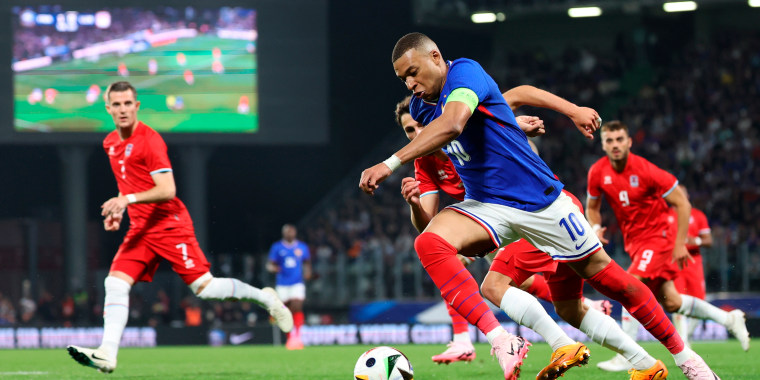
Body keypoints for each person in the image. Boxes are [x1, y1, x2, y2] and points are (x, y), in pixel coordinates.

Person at [360, 32, 719, 379]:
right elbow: (470, 130)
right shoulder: (422, 112)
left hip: (542, 204)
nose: (410, 84)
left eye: (413, 72)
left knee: (611, 286)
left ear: (435, 57)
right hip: (488, 206)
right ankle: (501, 339)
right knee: (430, 243)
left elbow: (456, 123)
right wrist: (509, 126)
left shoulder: (465, 72)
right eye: (402, 79)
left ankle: (686, 359)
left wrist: (387, 164)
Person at [396, 95, 665, 380]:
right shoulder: (425, 162)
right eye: (409, 131)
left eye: (421, 125)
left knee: (496, 286)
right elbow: (427, 225)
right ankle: (645, 362)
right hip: (503, 226)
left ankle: (561, 344)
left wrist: (515, 126)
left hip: (538, 214)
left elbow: (517, 112)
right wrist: (414, 204)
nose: (418, 134)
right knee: (560, 304)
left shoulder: (465, 131)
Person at [67, 81, 293, 374]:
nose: (122, 109)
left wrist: (126, 199)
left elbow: (168, 189)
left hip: (169, 224)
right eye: (116, 104)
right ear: (108, 109)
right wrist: (120, 210)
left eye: (127, 104)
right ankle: (107, 354)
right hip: (140, 227)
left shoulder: (150, 141)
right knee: (115, 283)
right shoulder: (110, 142)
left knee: (206, 289)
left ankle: (265, 297)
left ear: (137, 107)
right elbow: (130, 183)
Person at [587, 121, 749, 372]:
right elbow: (593, 208)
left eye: (620, 139)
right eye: (609, 140)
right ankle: (729, 318)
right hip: (635, 242)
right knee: (671, 302)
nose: (615, 145)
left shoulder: (646, 170)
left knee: (629, 285)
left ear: (629, 142)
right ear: (603, 144)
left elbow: (682, 203)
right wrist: (595, 228)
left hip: (657, 238)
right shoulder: (597, 172)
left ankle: (626, 354)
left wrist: (679, 244)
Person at [671, 185, 713, 346]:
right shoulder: (666, 216)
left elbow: (709, 240)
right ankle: (684, 343)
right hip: (675, 264)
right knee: (677, 302)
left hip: (694, 264)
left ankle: (685, 337)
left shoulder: (698, 215)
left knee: (700, 302)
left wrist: (695, 241)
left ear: (688, 195)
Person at [267, 223, 312, 350]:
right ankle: (290, 336)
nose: (290, 234)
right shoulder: (277, 247)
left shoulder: (302, 247)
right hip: (282, 284)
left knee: (297, 305)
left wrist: (308, 272)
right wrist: (274, 268)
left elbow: (307, 262)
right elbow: (270, 264)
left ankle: (297, 335)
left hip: (297, 282)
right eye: (288, 232)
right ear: (284, 233)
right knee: (285, 310)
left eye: (292, 232)